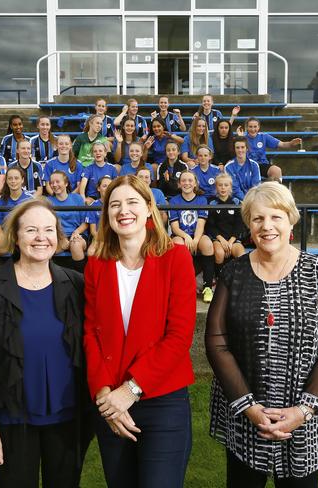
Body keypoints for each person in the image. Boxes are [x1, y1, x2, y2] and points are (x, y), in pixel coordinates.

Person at [206, 181, 318, 488]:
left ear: (290, 220)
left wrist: (303, 410)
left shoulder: (316, 272)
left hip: (302, 419)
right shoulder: (233, 273)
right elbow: (217, 342)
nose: (266, 226)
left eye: (275, 217)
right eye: (258, 219)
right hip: (246, 416)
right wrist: (249, 408)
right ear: (249, 225)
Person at [0, 198, 89, 488]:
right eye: (31, 230)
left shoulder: (76, 285)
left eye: (48, 230)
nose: (41, 238)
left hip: (68, 419)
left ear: (58, 236)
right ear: (16, 237)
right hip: (10, 419)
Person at [83, 175, 196, 488]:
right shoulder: (97, 265)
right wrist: (105, 394)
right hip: (112, 403)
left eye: (132, 202)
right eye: (115, 204)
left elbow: (179, 337)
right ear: (106, 215)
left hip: (162, 402)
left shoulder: (176, 257)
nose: (123, 210)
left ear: (149, 208)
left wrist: (129, 391)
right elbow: (92, 333)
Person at [169, 170, 215, 303]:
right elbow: (175, 227)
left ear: (195, 183)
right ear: (179, 184)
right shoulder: (174, 201)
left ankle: (207, 287)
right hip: (180, 234)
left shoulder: (202, 199)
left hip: (197, 234)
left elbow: (200, 224)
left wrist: (195, 239)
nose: (187, 183)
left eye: (190, 180)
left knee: (207, 244)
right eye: (183, 180)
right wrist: (186, 237)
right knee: (178, 245)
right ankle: (182, 288)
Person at [0, 166, 34, 272]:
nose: (13, 181)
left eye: (16, 178)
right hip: (7, 237)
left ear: (22, 180)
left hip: (25, 238)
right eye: (10, 178)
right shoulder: (0, 201)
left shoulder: (30, 200)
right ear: (6, 181)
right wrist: (3, 237)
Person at [206, 172, 246, 278]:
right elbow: (210, 225)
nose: (223, 188)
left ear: (230, 187)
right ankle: (219, 278)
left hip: (233, 239)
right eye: (220, 185)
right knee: (219, 253)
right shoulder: (212, 203)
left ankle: (237, 280)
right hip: (218, 239)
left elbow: (239, 225)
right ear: (216, 187)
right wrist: (221, 240)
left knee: (241, 254)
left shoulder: (236, 203)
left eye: (226, 185)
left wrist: (231, 241)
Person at [47, 170, 89, 269]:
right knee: (48, 249)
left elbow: (85, 222)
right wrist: (61, 238)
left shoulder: (77, 198)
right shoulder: (48, 201)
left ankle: (81, 278)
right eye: (52, 182)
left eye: (57, 181)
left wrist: (76, 232)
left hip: (77, 233)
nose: (54, 185)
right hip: (58, 236)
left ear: (66, 183)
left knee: (76, 244)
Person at [86, 175, 113, 256]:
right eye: (104, 186)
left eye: (110, 186)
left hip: (115, 236)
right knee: (91, 252)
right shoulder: (94, 205)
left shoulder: (117, 203)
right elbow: (93, 231)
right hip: (99, 237)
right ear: (98, 188)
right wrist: (103, 240)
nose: (108, 188)